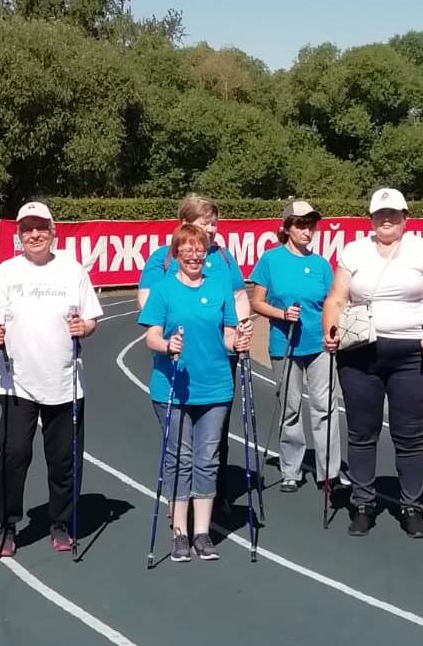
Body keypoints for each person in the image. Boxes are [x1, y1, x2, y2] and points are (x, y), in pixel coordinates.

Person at [321, 188, 423, 538]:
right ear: (371, 218)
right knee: (362, 432)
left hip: (413, 354)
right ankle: (363, 504)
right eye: (380, 214)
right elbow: (336, 299)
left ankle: (411, 506)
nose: (387, 219)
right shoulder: (354, 251)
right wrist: (330, 331)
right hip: (360, 352)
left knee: (409, 434)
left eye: (393, 213)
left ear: (405, 217)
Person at [0, 201, 102, 557]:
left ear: (52, 231)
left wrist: (84, 327)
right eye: (27, 229)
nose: (34, 234)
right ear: (19, 235)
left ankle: (60, 522)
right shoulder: (6, 272)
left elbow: (91, 319)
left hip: (64, 382)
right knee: (13, 455)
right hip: (16, 382)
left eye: (41, 227)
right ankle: (7, 525)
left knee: (63, 459)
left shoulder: (72, 270)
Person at [139, 224, 252, 562]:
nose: (193, 255)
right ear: (176, 253)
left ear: (206, 252)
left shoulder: (219, 286)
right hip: (172, 388)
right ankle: (179, 532)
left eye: (199, 249)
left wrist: (239, 341)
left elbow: (228, 334)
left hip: (216, 386)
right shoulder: (163, 290)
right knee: (179, 458)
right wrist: (167, 344)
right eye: (186, 249)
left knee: (207, 459)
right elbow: (151, 336)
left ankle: (202, 533)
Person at [250, 201, 338, 493]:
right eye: (300, 225)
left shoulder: (321, 265)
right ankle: (291, 470)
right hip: (285, 344)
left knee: (324, 407)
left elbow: (332, 303)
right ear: (287, 228)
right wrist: (281, 314)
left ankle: (329, 472)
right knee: (291, 409)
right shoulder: (270, 260)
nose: (306, 231)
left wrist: (333, 332)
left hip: (319, 345)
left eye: (310, 225)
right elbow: (257, 302)